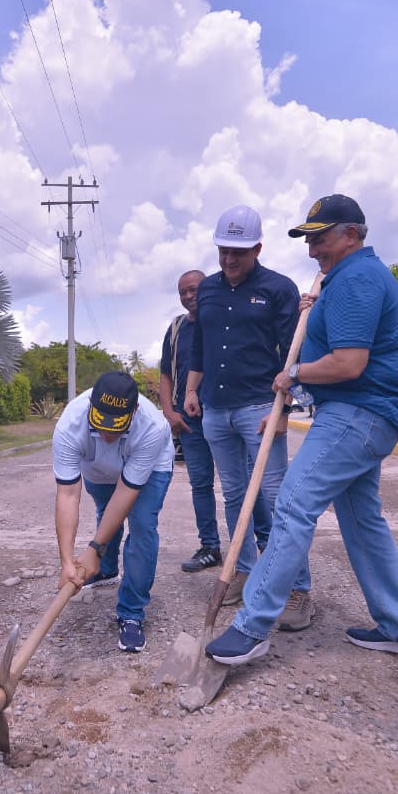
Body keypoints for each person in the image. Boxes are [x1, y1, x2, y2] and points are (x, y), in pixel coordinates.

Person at [205, 194, 398, 667]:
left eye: (321, 239)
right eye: (309, 240)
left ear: (351, 233)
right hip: (362, 413)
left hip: (358, 411)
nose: (313, 251)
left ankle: (252, 625)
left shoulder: (357, 279)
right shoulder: (344, 280)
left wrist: (295, 376)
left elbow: (349, 364)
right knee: (362, 522)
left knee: (291, 503)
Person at [183, 204, 314, 631]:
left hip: (261, 407)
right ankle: (241, 571)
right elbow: (199, 345)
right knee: (235, 496)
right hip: (216, 410)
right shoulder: (209, 291)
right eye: (223, 251)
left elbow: (293, 353)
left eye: (238, 252)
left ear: (257, 248)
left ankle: (297, 589)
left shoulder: (279, 289)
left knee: (276, 499)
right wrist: (190, 390)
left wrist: (286, 409)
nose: (229, 260)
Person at [54, 371, 174, 653]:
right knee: (105, 511)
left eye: (116, 427)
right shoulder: (69, 426)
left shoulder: (152, 427)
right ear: (90, 407)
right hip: (97, 467)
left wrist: (93, 548)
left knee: (142, 525)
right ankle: (106, 570)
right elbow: (68, 495)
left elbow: (126, 493)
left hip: (149, 464)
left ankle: (131, 612)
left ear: (133, 411)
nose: (108, 435)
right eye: (101, 425)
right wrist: (67, 562)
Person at [159, 270, 222, 573]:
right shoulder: (176, 329)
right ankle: (210, 546)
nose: (187, 296)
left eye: (193, 289)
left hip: (225, 414)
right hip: (190, 422)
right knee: (200, 484)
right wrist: (170, 413)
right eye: (182, 291)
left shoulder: (224, 319)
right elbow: (166, 376)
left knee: (242, 485)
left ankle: (259, 546)